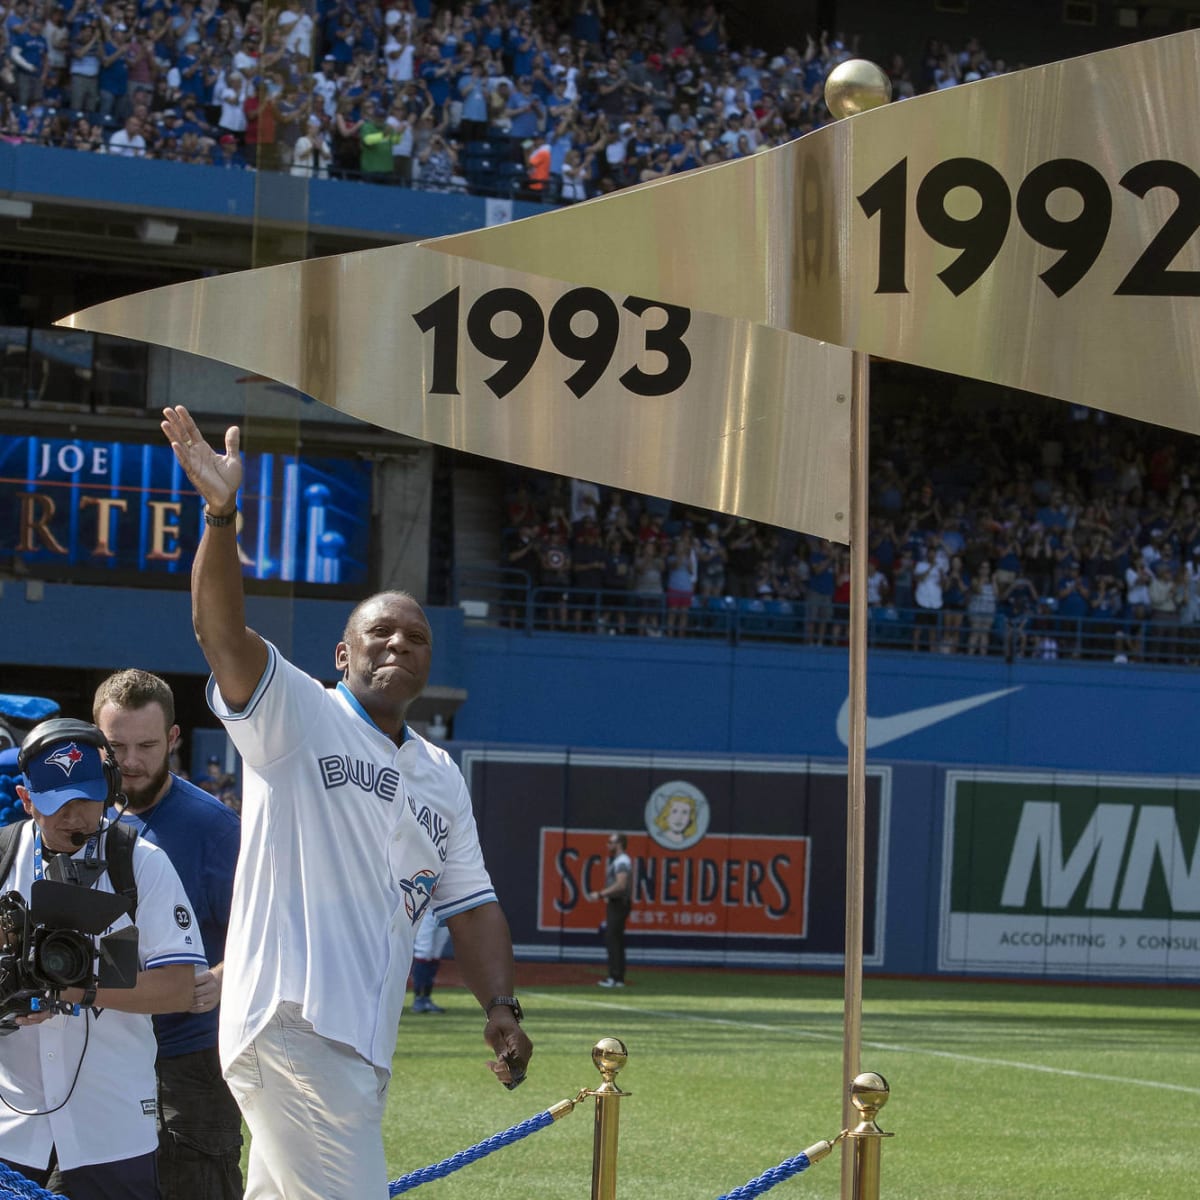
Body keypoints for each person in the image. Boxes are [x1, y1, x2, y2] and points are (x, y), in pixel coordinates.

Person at [159, 405, 532, 1200]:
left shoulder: (438, 772)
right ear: (343, 654)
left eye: (415, 637)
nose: (397, 644)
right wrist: (221, 515)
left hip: (359, 1044)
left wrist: (500, 1005)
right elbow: (220, 634)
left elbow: (472, 905)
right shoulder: (301, 714)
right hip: (293, 1024)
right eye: (379, 634)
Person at [0, 719, 205, 1199]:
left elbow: (177, 988)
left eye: (88, 799)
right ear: (26, 798)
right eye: (57, 804)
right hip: (12, 1126)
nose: (75, 816)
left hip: (111, 1129)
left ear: (110, 789)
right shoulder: (3, 858)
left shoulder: (143, 862)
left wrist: (71, 988)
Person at [93, 669, 244, 1200]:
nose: (131, 762)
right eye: (116, 746)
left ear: (174, 740)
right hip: (94, 1059)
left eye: (147, 745)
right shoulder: (74, 818)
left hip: (185, 1064)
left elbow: (274, 931)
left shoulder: (214, 829)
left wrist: (225, 976)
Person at [586, 833, 632, 989]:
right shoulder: (619, 860)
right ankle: (617, 977)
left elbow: (621, 884)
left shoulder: (622, 861)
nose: (608, 845)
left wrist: (600, 894)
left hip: (619, 903)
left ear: (619, 844)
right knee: (615, 939)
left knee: (613, 939)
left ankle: (615, 977)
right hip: (617, 903)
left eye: (611, 842)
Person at [409, 915, 451, 1014]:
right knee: (424, 951)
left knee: (436, 953)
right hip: (426, 912)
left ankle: (426, 998)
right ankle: (418, 999)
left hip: (444, 910)